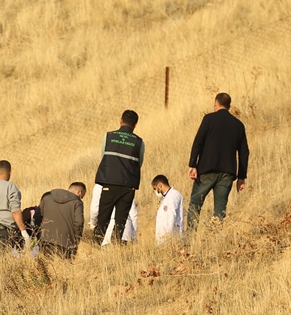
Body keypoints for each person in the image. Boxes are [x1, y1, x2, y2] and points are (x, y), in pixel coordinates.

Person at [187, 93, 249, 229]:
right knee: (220, 209)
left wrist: (193, 164)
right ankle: (215, 238)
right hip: (227, 173)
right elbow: (244, 152)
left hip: (207, 169)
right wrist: (241, 176)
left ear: (216, 104)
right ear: (229, 106)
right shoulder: (238, 125)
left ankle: (190, 239)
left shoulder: (209, 119)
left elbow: (198, 141)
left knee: (195, 203)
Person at [93, 110, 145, 246]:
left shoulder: (109, 136)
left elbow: (103, 156)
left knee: (103, 219)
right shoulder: (139, 142)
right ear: (135, 125)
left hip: (109, 183)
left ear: (121, 121)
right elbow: (139, 163)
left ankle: (96, 247)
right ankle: (117, 248)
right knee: (121, 220)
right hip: (128, 186)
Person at [38, 183, 86, 258]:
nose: (81, 198)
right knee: (64, 267)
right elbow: (79, 222)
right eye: (82, 196)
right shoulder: (77, 202)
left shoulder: (47, 197)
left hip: (45, 239)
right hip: (66, 242)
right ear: (79, 192)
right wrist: (76, 239)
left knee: (44, 266)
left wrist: (38, 235)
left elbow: (37, 216)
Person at [151, 175, 185, 244]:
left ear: (160, 185)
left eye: (155, 189)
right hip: (164, 239)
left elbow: (172, 215)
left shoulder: (173, 195)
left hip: (171, 238)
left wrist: (168, 236)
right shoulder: (167, 197)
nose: (155, 192)